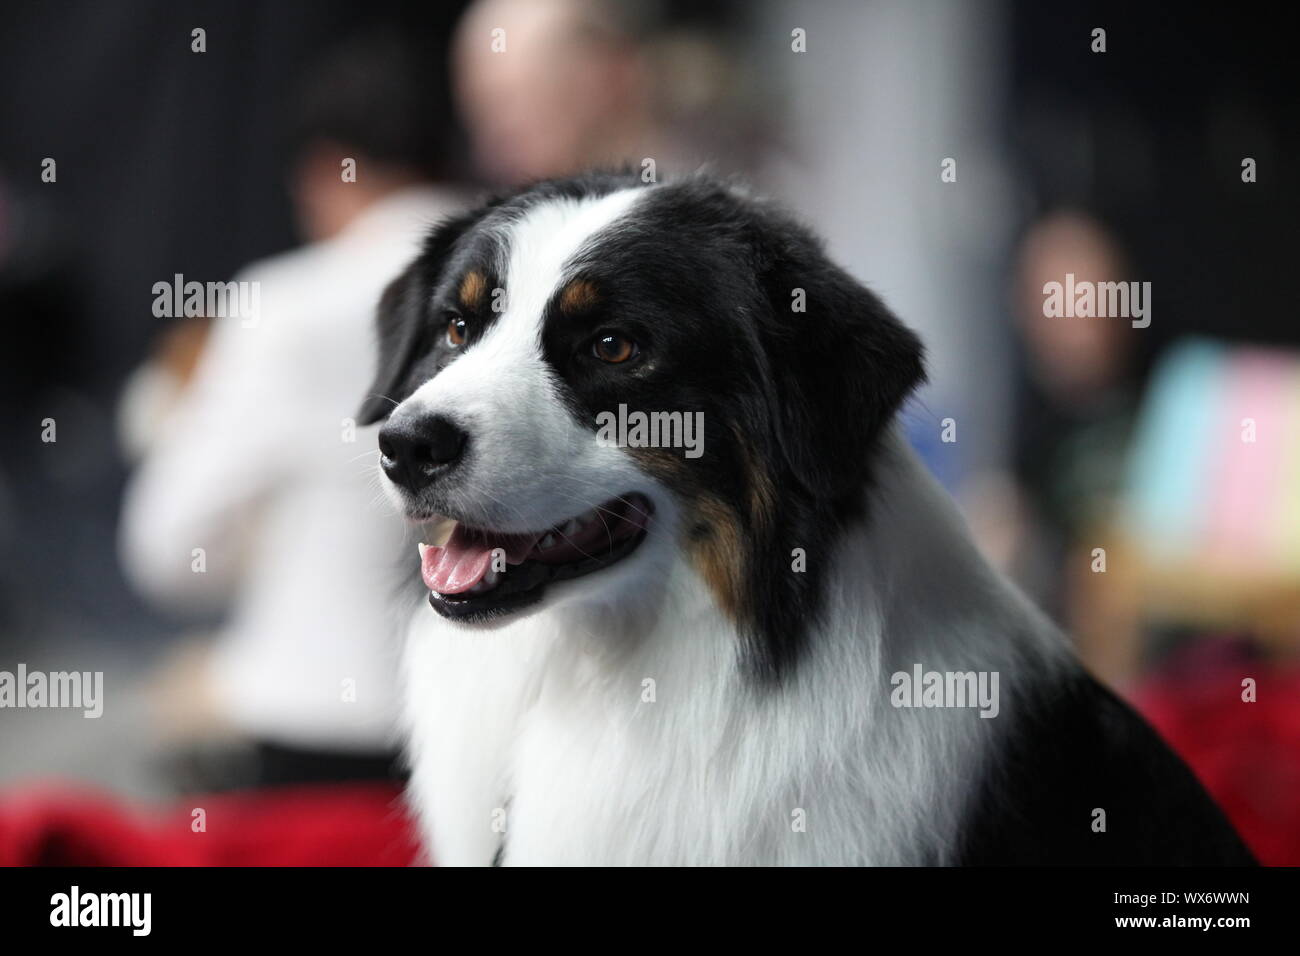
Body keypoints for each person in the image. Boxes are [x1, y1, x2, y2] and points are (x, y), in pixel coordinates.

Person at [118, 30, 465, 787]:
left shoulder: (281, 309)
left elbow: (167, 549)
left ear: (321, 172)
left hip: (317, 734)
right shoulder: (520, 278)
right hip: (485, 728)